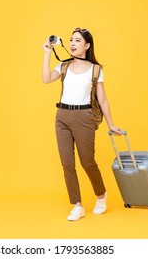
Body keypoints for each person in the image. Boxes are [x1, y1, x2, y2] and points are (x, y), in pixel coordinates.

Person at [42, 28, 121, 221]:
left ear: (87, 45)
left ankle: (101, 195)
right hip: (62, 116)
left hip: (84, 116)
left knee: (87, 162)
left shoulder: (95, 69)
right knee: (67, 163)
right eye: (71, 40)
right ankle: (77, 205)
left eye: (77, 40)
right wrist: (46, 54)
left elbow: (102, 99)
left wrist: (111, 124)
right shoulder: (64, 66)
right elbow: (46, 79)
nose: (72, 43)